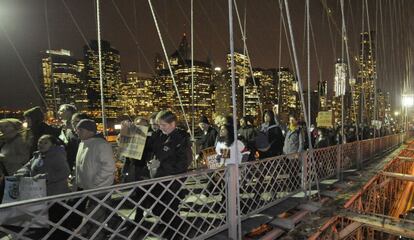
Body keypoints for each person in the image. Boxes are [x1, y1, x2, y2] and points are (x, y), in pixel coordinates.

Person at [136, 111, 192, 239]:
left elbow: (183, 164)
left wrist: (160, 164)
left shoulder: (181, 138)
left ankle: (175, 234)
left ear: (173, 124)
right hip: (157, 178)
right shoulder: (159, 135)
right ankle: (172, 230)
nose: (160, 127)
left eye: (163, 125)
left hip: (172, 180)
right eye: (159, 125)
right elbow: (145, 146)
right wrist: (133, 130)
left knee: (170, 209)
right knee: (157, 208)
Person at [14, 134, 70, 240]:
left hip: (55, 194)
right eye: (40, 142)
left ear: (53, 145)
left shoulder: (57, 155)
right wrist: (19, 173)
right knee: (45, 222)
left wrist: (45, 177)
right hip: (40, 194)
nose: (41, 144)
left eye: (45, 142)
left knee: (57, 221)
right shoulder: (38, 155)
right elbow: (28, 166)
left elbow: (64, 172)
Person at [75, 119, 115, 239]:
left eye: (80, 130)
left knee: (95, 218)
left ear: (89, 131)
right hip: (88, 188)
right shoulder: (83, 143)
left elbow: (109, 166)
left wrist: (96, 181)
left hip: (99, 189)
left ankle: (96, 236)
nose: (77, 132)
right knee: (93, 217)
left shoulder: (100, 144)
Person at [57, 104, 78, 171]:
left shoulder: (75, 125)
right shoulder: (63, 126)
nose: (58, 112)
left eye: (62, 111)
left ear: (69, 112)